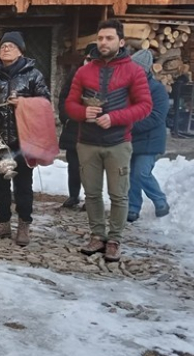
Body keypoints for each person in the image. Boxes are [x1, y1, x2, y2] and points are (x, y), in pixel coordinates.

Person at [65, 19, 152, 262]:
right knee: (92, 194)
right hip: (88, 142)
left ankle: (114, 239)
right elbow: (70, 104)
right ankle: (97, 235)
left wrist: (114, 118)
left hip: (118, 143)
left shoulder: (133, 71)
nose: (103, 42)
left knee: (119, 195)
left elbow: (145, 106)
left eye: (109, 38)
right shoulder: (84, 71)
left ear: (121, 42)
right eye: (100, 38)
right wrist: (83, 113)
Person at [0, 31, 51, 247]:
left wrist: (23, 103)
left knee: (23, 184)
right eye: (3, 46)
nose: (5, 48)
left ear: (20, 50)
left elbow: (44, 101)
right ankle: (3, 223)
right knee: (0, 183)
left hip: (23, 139)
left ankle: (24, 223)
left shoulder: (33, 75)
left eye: (10, 45)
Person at [127, 49, 170, 222]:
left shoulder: (157, 90)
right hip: (131, 138)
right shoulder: (126, 88)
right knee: (130, 173)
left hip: (151, 139)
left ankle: (160, 201)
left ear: (145, 70)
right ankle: (132, 207)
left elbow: (157, 116)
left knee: (141, 173)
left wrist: (129, 125)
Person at [58, 43, 97, 209]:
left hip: (93, 129)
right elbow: (64, 98)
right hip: (74, 127)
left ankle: (91, 199)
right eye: (88, 58)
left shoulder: (101, 76)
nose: (90, 62)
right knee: (73, 165)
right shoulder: (75, 74)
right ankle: (73, 195)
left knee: (90, 167)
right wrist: (66, 117)